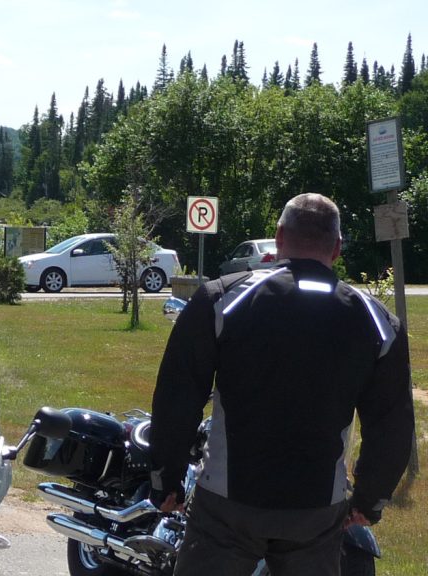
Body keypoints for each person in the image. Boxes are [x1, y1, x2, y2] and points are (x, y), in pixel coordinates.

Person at [148, 193, 415, 576]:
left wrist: (166, 477)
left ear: (279, 237)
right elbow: (392, 422)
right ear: (337, 248)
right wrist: (371, 498)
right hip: (316, 510)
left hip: (228, 505)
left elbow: (178, 395)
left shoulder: (223, 298)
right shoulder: (377, 321)